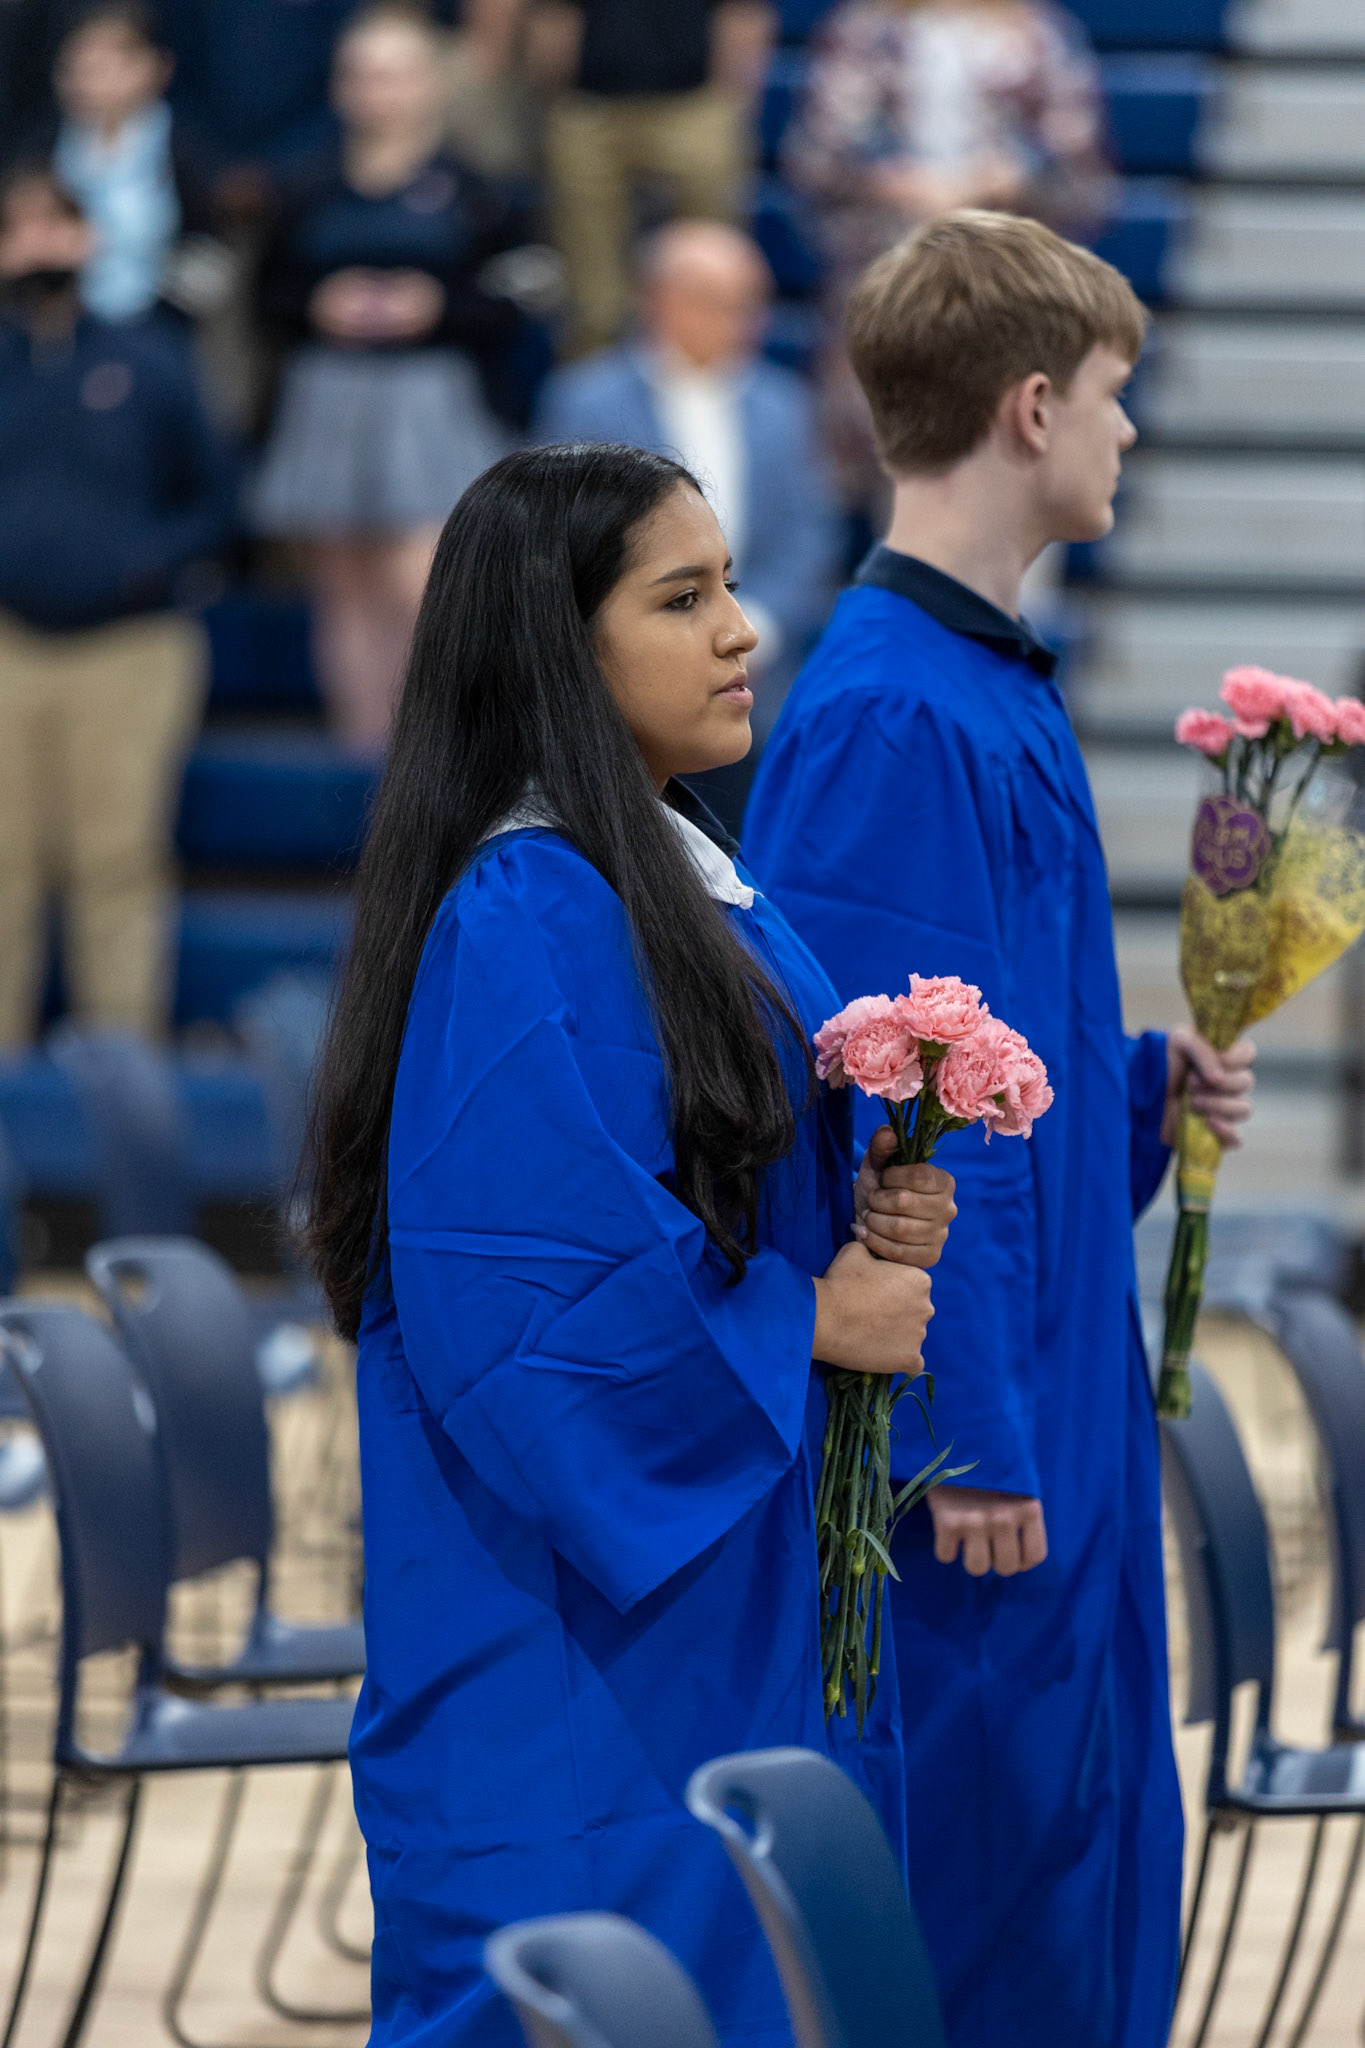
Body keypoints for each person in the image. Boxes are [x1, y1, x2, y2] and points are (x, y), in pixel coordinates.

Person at [306, 441, 958, 2046]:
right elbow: (538, 1306)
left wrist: (873, 1202)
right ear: (556, 647)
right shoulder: (527, 908)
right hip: (581, 1647)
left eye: (730, 586)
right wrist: (815, 1318)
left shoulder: (673, 869)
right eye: (684, 598)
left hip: (708, 1593)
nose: (743, 631)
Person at [744, 212, 1259, 2048]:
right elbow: (893, 1114)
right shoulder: (894, 710)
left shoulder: (980, 683)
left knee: (1084, 1848)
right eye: (1116, 403)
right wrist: (965, 1430)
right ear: (1033, 407)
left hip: (1056, 1379)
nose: (1131, 437)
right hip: (977, 1437)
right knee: (994, 1887)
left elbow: (1002, 1065)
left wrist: (1134, 1093)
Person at [0, 164, 236, 1046]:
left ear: (89, 239)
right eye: (18, 229)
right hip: (7, 642)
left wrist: (147, 565)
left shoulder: (151, 358)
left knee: (118, 859)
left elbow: (217, 499)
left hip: (132, 647)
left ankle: (119, 1072)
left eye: (56, 227)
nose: (39, 247)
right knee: (4, 866)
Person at [252, 3, 524, 753]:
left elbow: (519, 301)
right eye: (363, 74)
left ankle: (437, 767)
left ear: (431, 83)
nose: (380, 91)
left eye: (397, 74)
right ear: (340, 86)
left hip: (431, 397)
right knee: (345, 590)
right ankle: (361, 766)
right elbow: (263, 296)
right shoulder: (303, 181)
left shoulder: (476, 187)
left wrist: (437, 306)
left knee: (428, 591)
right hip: (329, 392)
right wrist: (316, 303)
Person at [535, 218, 841, 831]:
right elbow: (561, 544)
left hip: (759, 669)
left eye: (753, 303)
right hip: (623, 679)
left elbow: (810, 538)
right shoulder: (584, 400)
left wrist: (756, 626)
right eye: (724, 303)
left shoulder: (786, 406)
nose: (747, 321)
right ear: (664, 301)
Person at [785, 0, 1110, 511]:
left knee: (1019, 467)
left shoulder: (1043, 36)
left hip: (1012, 297)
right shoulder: (865, 32)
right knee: (904, 477)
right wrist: (892, 180)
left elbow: (1086, 181)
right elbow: (815, 162)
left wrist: (1012, 177)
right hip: (889, 292)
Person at [531, 0, 775, 354]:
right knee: (591, 290)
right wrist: (559, 95)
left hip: (692, 100)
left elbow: (744, 14)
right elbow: (553, 20)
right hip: (590, 103)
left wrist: (730, 104)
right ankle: (594, 381)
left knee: (713, 249)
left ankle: (713, 363)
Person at [39, 2, 222, 327]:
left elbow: (208, 248)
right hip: (59, 328)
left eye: (103, 68)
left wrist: (167, 317)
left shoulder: (184, 150)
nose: (85, 83)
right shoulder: (42, 149)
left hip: (156, 327)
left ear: (157, 67)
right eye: (75, 68)